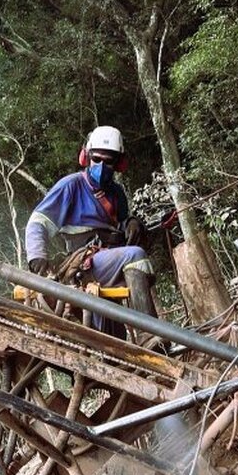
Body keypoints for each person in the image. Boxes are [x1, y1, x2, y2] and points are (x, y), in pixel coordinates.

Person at [24, 125, 157, 339]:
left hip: (109, 259)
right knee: (135, 256)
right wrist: (37, 257)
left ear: (119, 163)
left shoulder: (116, 193)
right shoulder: (71, 186)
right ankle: (149, 335)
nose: (102, 166)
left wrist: (130, 222)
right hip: (85, 264)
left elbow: (119, 225)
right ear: (86, 156)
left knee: (115, 337)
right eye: (97, 159)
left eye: (109, 161)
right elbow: (38, 222)